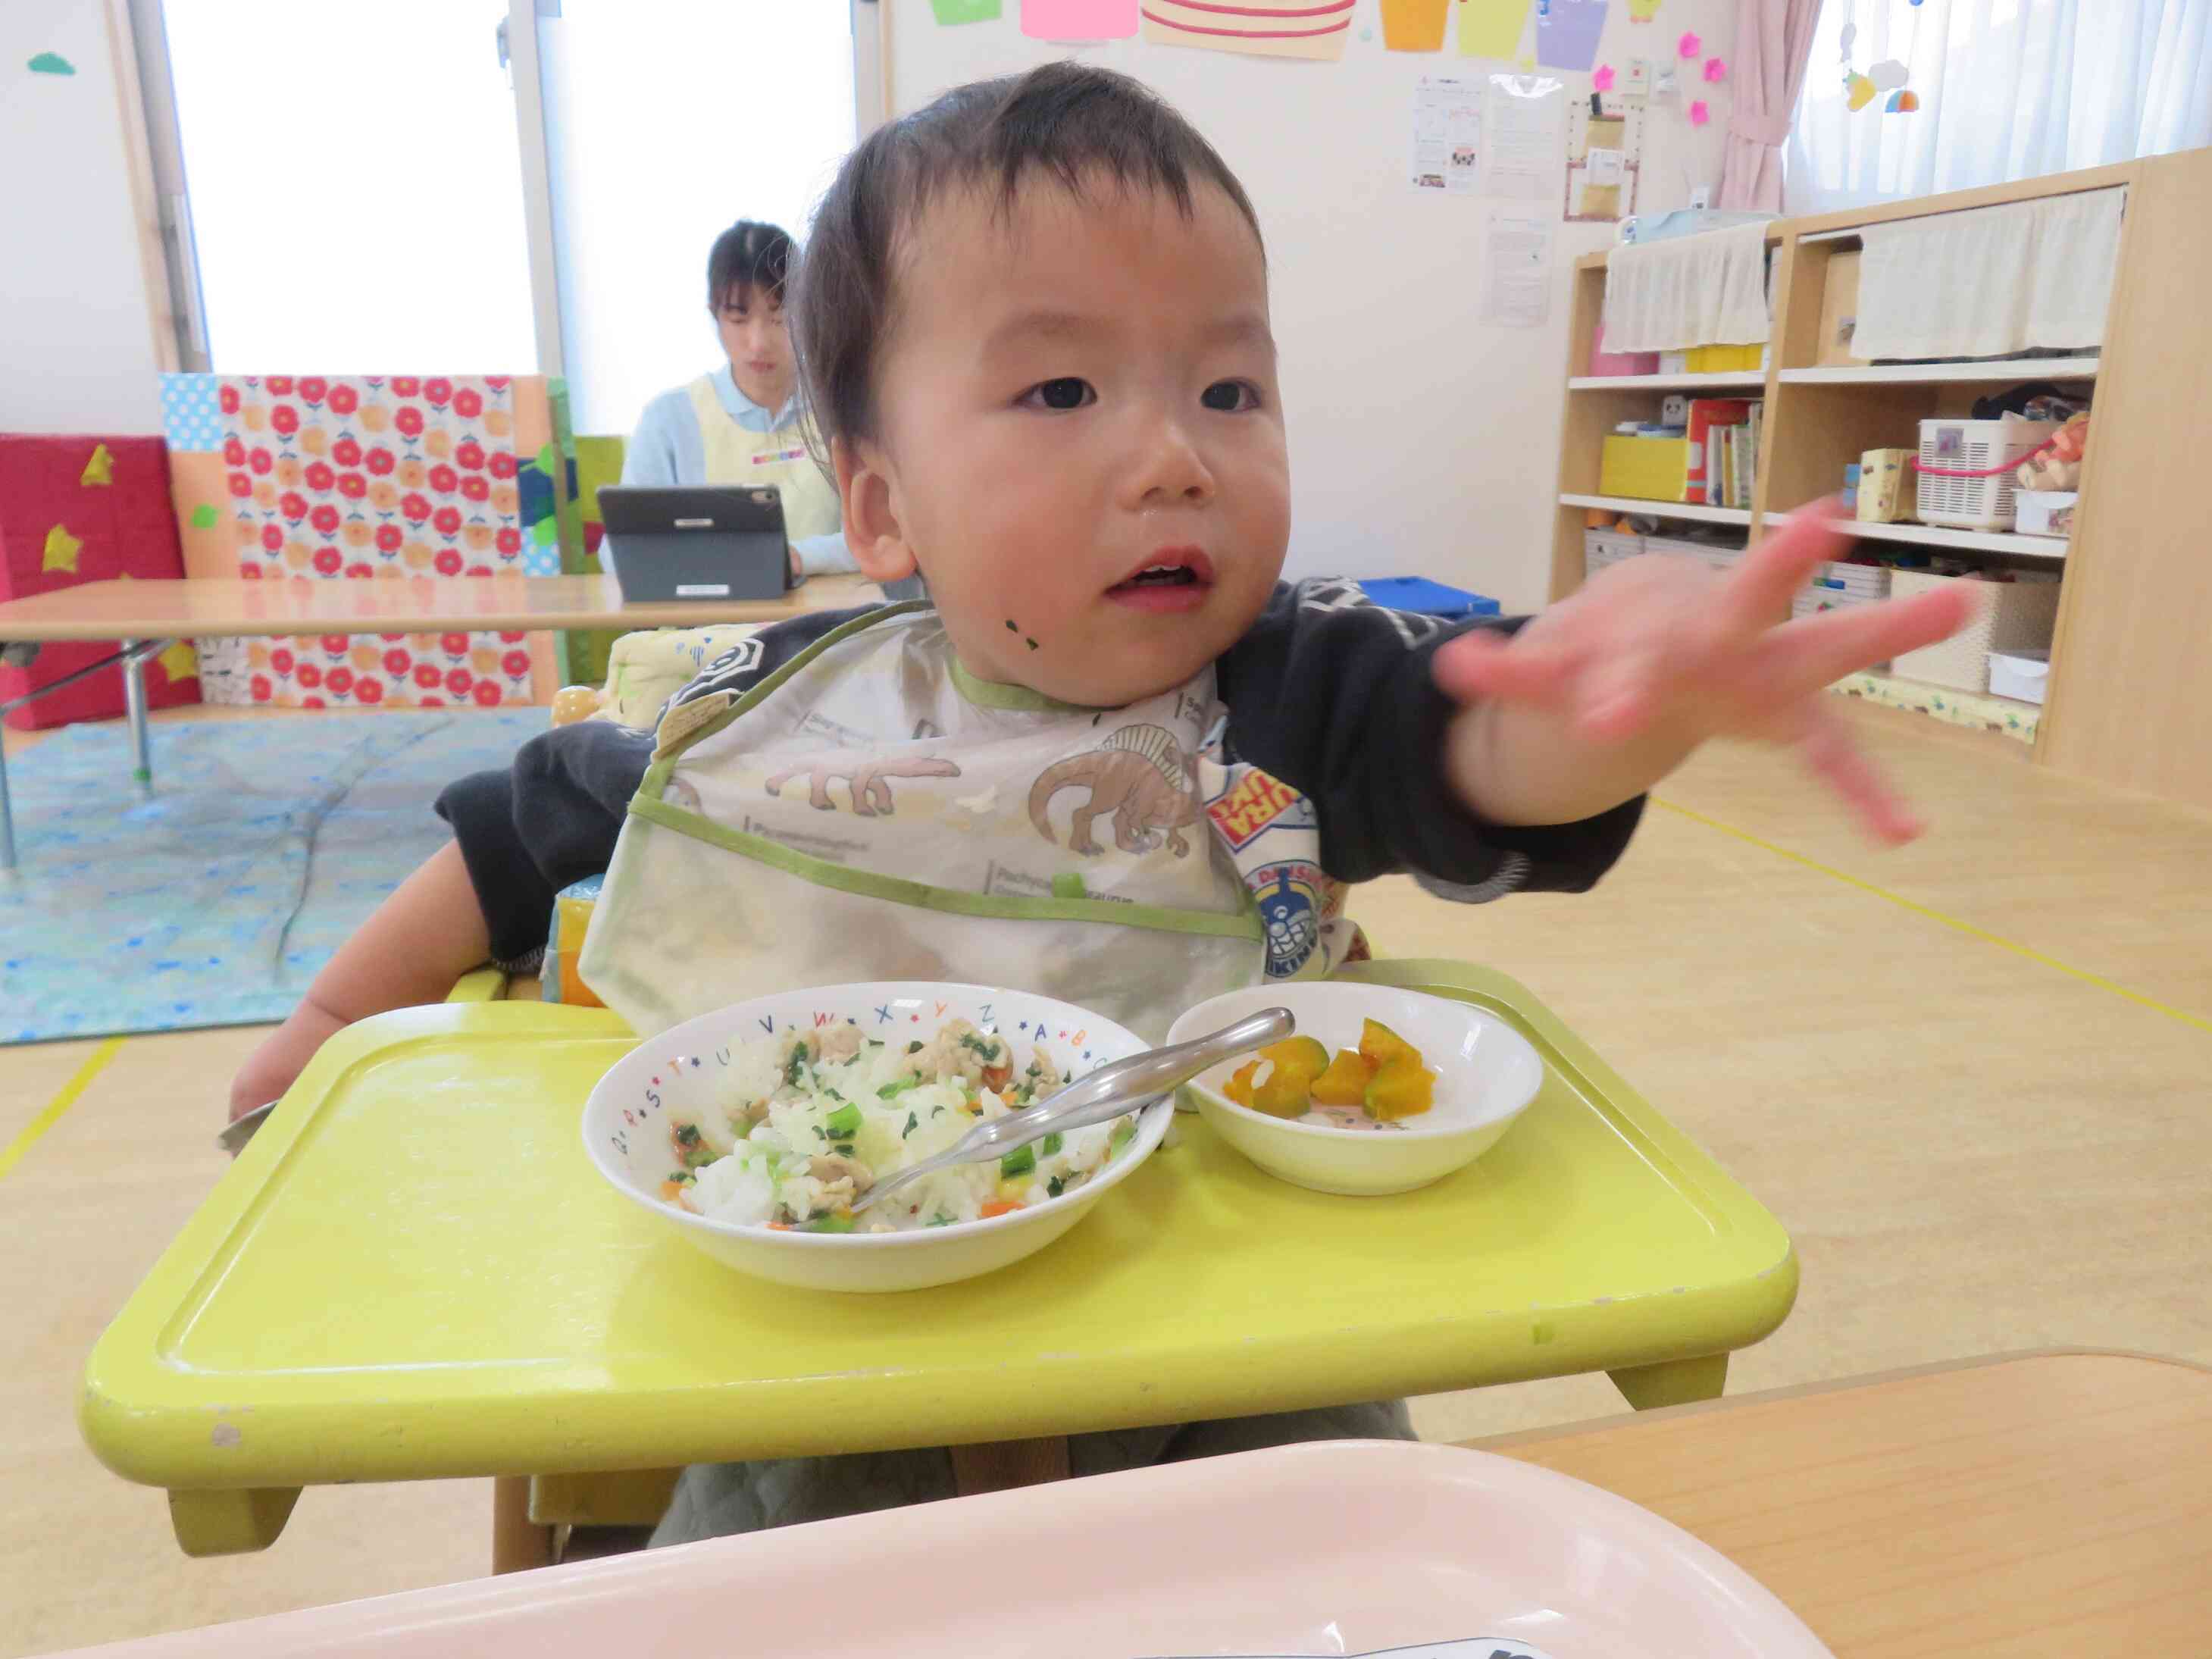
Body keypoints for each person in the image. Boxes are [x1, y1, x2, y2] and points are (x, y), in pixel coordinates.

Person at [228, 64, 1967, 1541]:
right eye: (1063, 389)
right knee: (730, 1578)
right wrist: (327, 1024)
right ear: (887, 504)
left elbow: (1475, 755)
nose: (1172, 453)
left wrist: (1616, 704)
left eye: (1230, 386)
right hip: (831, 1347)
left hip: (1236, 1351)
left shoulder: (1287, 697)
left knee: (1357, 1540)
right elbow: (532, 823)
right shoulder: (802, 721)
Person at [611, 218, 856, 581]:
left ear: (807, 313)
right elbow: (621, 551)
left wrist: (798, 557)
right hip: (709, 630)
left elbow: (886, 536)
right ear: (716, 316)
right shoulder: (670, 419)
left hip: (829, 624)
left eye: (778, 318)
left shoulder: (842, 407)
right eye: (739, 319)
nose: (758, 342)